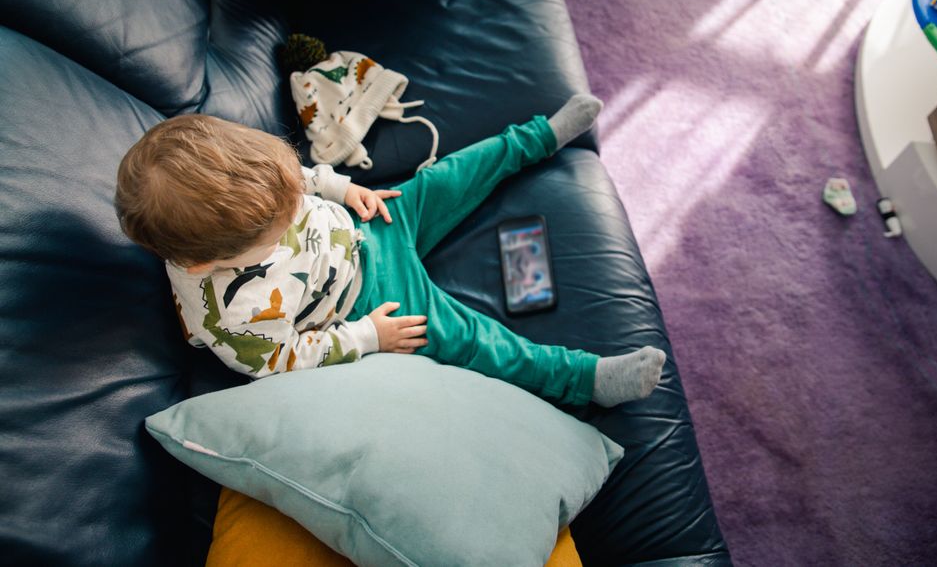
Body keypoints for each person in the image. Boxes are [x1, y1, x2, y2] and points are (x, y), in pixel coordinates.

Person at [114, 95, 666, 407]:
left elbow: (294, 180)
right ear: (207, 265)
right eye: (279, 226)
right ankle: (585, 379)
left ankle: (536, 138)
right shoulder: (234, 318)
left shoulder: (256, 187)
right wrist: (365, 337)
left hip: (365, 221)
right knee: (472, 340)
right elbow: (284, 361)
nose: (292, 205)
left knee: (448, 178)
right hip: (369, 299)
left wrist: (338, 189)